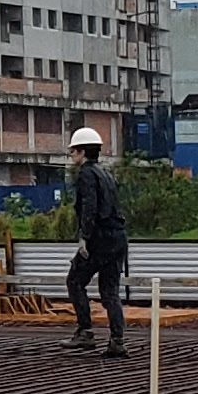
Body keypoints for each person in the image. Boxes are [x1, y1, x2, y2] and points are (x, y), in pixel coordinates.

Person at [64, 126, 129, 357]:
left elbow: (89, 207)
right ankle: (117, 341)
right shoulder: (107, 173)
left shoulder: (86, 174)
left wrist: (84, 238)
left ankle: (85, 331)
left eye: (73, 152)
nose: (72, 156)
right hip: (118, 237)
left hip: (100, 238)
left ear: (81, 152)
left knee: (74, 280)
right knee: (110, 291)